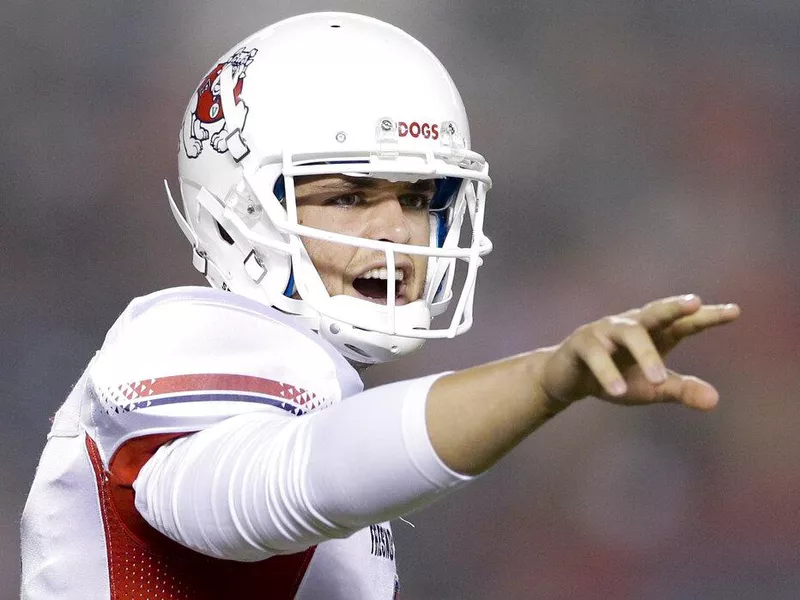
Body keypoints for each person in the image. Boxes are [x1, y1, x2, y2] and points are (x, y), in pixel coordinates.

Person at [20, 12, 740, 600]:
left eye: (419, 198)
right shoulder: (192, 336)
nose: (397, 230)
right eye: (348, 197)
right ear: (239, 212)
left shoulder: (321, 384)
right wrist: (543, 382)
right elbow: (261, 492)